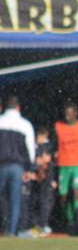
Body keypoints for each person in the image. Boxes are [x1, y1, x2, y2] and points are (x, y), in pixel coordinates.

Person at [0, 96, 35, 236]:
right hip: (17, 166)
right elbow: (30, 149)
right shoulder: (25, 124)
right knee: (15, 200)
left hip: (1, 165)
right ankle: (11, 231)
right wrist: (29, 169)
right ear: (18, 107)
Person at [55, 102, 78, 231]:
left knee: (77, 192)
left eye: (70, 113)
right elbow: (54, 144)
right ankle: (68, 220)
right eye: (66, 114)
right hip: (63, 164)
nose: (67, 116)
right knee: (63, 195)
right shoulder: (58, 127)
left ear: (75, 113)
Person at [30, 126, 57, 236]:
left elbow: (51, 163)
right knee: (35, 201)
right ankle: (37, 225)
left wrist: (53, 179)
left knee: (45, 201)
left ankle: (43, 225)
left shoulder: (49, 147)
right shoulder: (35, 146)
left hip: (47, 178)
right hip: (37, 178)